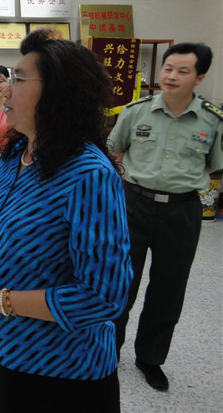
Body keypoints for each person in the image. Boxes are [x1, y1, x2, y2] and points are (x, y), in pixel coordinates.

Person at [0, 30, 132, 412]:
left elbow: (104, 296)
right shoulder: (18, 153)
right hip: (6, 350)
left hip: (63, 369)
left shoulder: (88, 175)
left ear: (57, 92)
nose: (5, 91)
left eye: (17, 79)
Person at [108, 42, 223, 391]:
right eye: (167, 69)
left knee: (169, 288)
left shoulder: (213, 119)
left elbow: (213, 165)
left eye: (182, 71)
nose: (171, 76)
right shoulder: (136, 111)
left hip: (182, 211)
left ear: (199, 78)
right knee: (120, 282)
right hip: (133, 205)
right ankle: (108, 351)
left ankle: (150, 357)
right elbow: (115, 151)